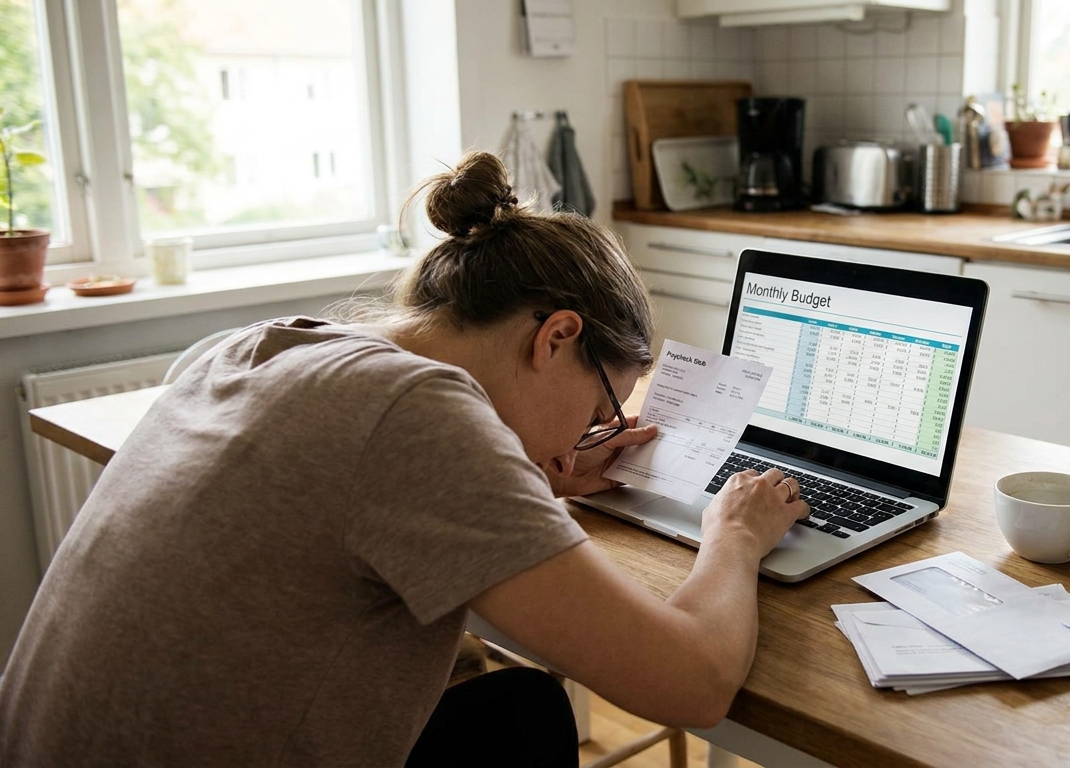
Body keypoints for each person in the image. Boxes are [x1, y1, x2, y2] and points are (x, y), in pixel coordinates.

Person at [0, 150, 809, 766]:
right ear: (557, 336)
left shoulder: (269, 345)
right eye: (601, 408)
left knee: (515, 709)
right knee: (521, 720)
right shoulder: (420, 415)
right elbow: (692, 685)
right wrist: (734, 533)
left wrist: (530, 479)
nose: (584, 441)